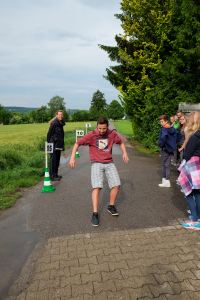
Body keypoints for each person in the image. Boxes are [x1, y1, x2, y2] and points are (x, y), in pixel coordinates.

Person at [69, 117, 129, 227]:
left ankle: (111, 206)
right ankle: (95, 213)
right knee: (97, 187)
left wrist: (124, 153)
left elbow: (120, 142)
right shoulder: (91, 135)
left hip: (109, 162)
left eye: (104, 128)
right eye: (100, 128)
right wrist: (72, 157)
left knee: (116, 185)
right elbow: (77, 143)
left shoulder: (111, 133)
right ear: (97, 126)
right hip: (96, 163)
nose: (102, 130)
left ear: (108, 126)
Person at [178, 111, 200, 230]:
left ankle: (195, 220)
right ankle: (198, 218)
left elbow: (187, 153)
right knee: (197, 192)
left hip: (192, 164)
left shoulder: (194, 136)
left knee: (189, 192)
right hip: (199, 165)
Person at [158, 115, 182, 187]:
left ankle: (164, 179)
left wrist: (161, 145)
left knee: (163, 164)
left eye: (162, 121)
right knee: (167, 165)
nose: (161, 123)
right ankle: (167, 181)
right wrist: (174, 143)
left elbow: (163, 137)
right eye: (160, 122)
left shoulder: (164, 129)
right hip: (171, 149)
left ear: (166, 121)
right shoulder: (172, 128)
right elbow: (179, 135)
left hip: (165, 149)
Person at [47, 110, 65, 181]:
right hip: (53, 144)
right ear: (56, 115)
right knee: (53, 160)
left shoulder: (60, 123)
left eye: (62, 115)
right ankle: (52, 176)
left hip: (58, 144)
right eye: (59, 115)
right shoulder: (54, 123)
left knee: (57, 159)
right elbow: (49, 134)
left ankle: (55, 174)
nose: (61, 116)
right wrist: (49, 144)